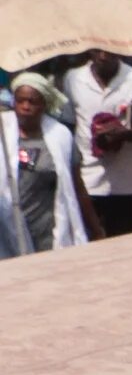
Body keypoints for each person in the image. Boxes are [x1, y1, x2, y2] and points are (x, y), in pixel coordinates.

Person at [60, 49, 132, 237]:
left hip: (129, 182)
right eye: (98, 51)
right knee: (89, 245)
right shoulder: (73, 78)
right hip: (88, 181)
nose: (103, 57)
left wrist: (124, 134)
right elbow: (68, 124)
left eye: (109, 52)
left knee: (129, 248)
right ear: (90, 51)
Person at [3, 73, 95, 257]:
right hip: (7, 227)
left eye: (32, 101)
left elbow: (76, 186)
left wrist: (95, 228)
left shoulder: (61, 136)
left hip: (47, 230)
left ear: (44, 104)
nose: (25, 107)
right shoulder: (2, 132)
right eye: (20, 101)